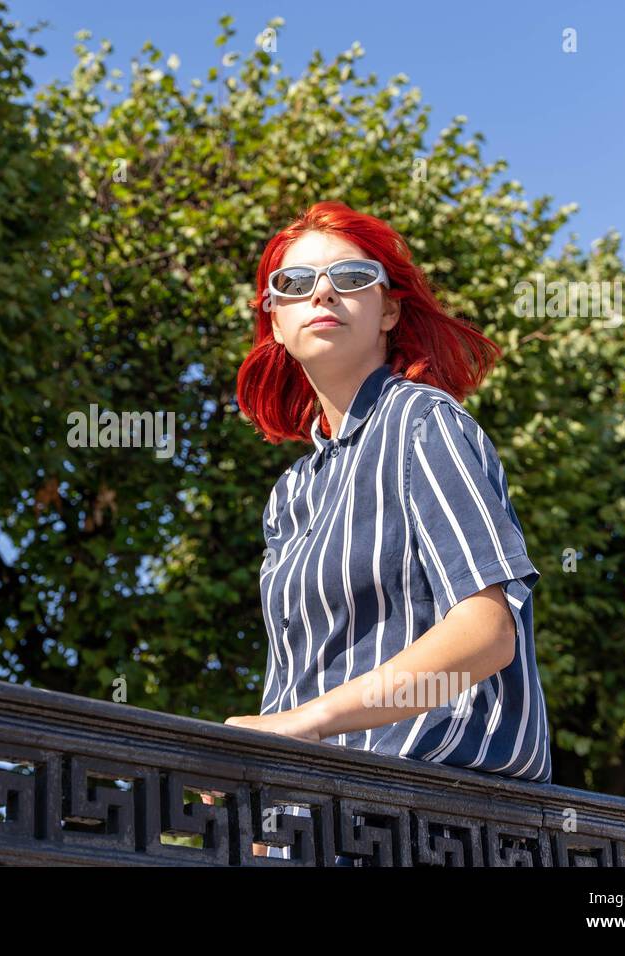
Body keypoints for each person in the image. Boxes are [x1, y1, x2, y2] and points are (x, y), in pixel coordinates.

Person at [229, 201, 553, 863]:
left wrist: (306, 723)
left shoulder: (422, 422)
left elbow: (488, 634)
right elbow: (293, 684)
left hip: (438, 821)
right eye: (294, 285)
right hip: (312, 830)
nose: (322, 292)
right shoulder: (291, 493)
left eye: (351, 277)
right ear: (277, 326)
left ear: (389, 311)